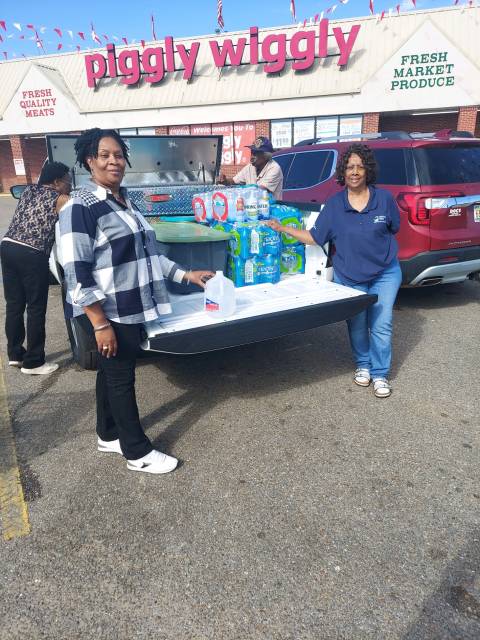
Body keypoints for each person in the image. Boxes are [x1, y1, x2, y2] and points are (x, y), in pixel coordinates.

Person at [59, 128, 214, 474]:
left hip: (131, 306)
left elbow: (149, 256)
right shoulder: (80, 206)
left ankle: (108, 434)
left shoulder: (126, 202)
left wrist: (186, 276)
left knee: (110, 372)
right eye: (104, 155)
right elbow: (75, 270)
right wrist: (99, 323)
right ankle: (136, 452)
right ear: (89, 160)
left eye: (118, 155)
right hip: (108, 310)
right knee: (120, 377)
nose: (113, 161)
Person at [266, 143, 402, 398]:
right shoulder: (335, 204)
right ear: (343, 171)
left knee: (381, 324)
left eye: (360, 167)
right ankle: (363, 365)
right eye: (350, 167)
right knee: (357, 323)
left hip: (385, 272)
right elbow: (315, 237)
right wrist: (283, 228)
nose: (355, 172)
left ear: (368, 170)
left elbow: (394, 228)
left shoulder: (384, 199)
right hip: (349, 275)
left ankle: (381, 373)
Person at [1, 162, 72, 375]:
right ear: (57, 181)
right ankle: (34, 362)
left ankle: (15, 354)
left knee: (14, 304)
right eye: (68, 180)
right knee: (35, 307)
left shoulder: (29, 190)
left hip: (7, 247)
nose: (70, 184)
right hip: (33, 254)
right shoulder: (62, 199)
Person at [217, 136, 283, 200]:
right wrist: (225, 181)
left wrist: (239, 190)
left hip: (270, 208)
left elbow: (260, 191)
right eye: (252, 152)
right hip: (252, 207)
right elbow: (234, 181)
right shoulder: (250, 167)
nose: (252, 156)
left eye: (255, 153)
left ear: (265, 156)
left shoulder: (274, 168)